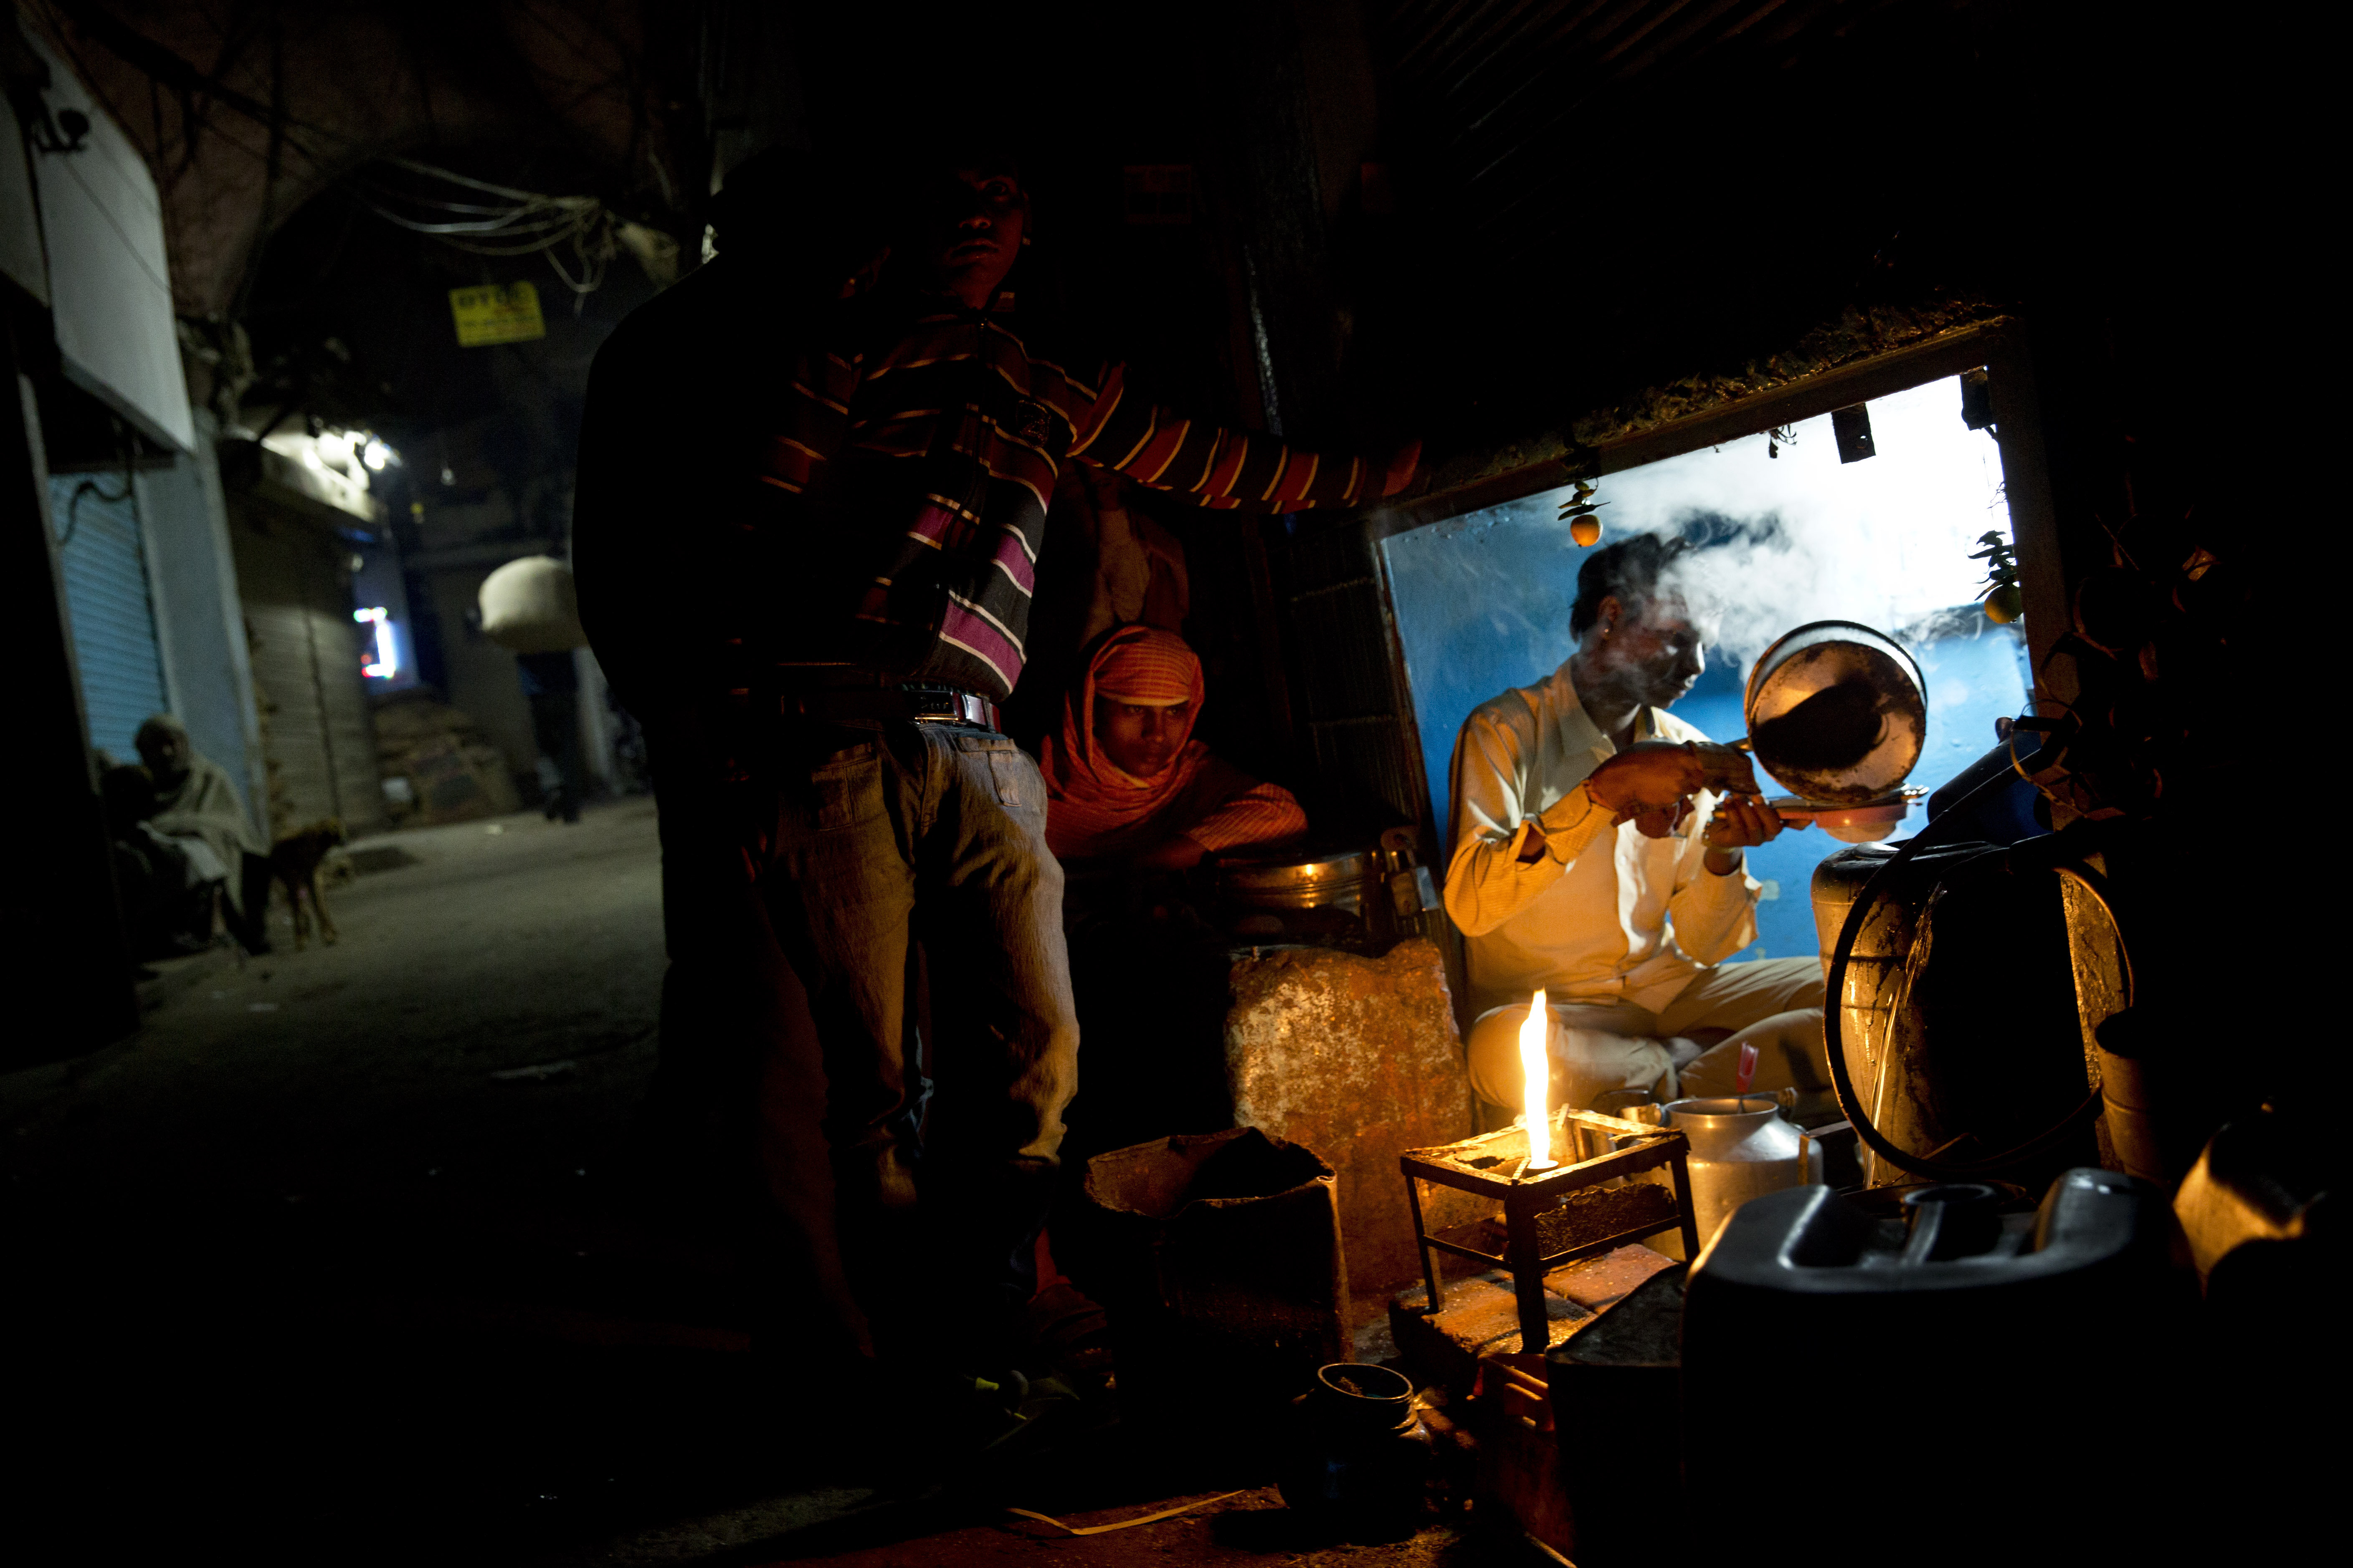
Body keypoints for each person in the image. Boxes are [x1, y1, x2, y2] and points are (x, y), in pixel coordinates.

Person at [571, 140, 1415, 1421]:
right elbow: (729, 539)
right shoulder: (799, 344)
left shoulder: (1032, 377)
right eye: (943, 204)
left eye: (999, 203)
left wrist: (1372, 478)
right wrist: (722, 715)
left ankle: (977, 1309)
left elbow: (1212, 463)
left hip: (963, 736)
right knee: (838, 1067)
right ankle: (871, 1352)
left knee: (1024, 1046)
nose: (971, 221)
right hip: (812, 735)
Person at [1444, 535, 1827, 1115]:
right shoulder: (1504, 731)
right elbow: (1472, 909)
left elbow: (1705, 946)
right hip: (1556, 1012)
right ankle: (1701, 1073)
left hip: (1672, 995)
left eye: (1702, 645)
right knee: (1498, 1053)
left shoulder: (1680, 747)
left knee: (1853, 990)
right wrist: (1605, 794)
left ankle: (1662, 1081)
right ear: (1610, 616)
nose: (1696, 665)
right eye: (1676, 639)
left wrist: (1721, 853)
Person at [1042, 625, 1305, 872]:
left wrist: (1154, 862)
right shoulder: (1034, 783)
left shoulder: (1191, 775)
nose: (1157, 734)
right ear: (1091, 710)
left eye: (1174, 712)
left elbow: (1282, 814)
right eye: (1134, 709)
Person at [117, 715, 272, 956]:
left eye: (171, 743)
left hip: (201, 853)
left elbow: (233, 823)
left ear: (185, 742)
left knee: (212, 861)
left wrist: (188, 827)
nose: (166, 752)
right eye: (156, 746)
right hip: (157, 857)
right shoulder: (138, 786)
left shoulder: (210, 777)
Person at [515, 650, 587, 823]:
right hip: (564, 687)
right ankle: (571, 810)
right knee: (569, 750)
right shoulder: (555, 628)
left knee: (546, 748)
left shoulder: (525, 629)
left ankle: (553, 787)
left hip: (537, 691)